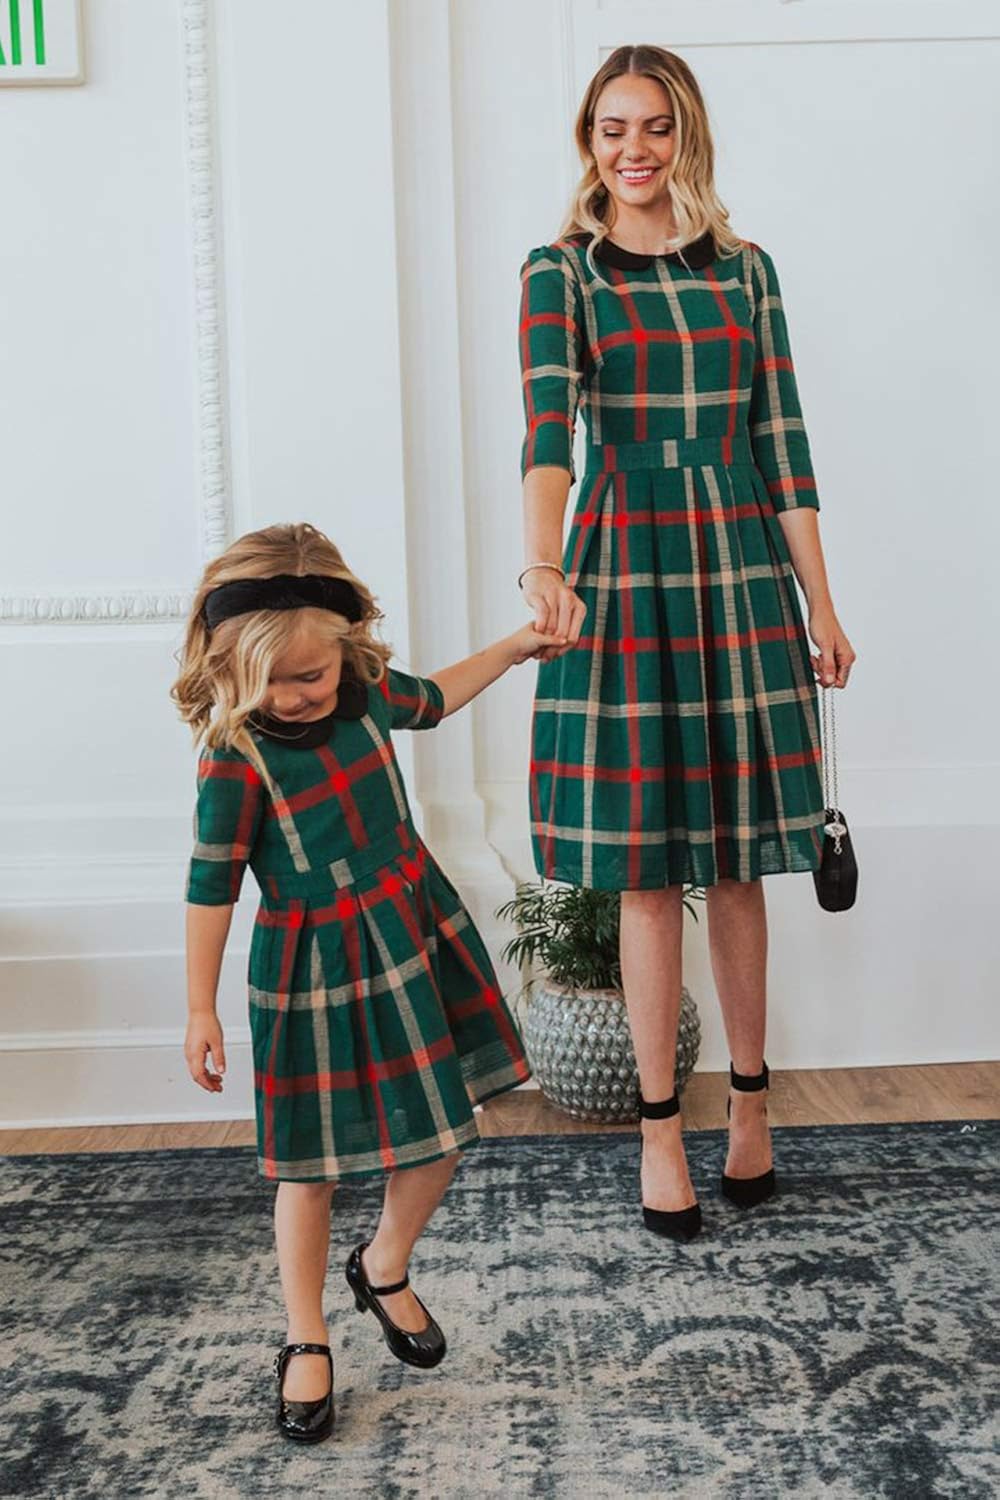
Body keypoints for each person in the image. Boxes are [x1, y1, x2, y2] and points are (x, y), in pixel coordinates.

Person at [517, 46, 856, 1243]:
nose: (633, 150)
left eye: (653, 128)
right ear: (587, 141)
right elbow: (547, 433)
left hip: (737, 563)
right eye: (611, 129)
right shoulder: (560, 272)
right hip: (621, 560)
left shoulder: (747, 274)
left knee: (739, 864)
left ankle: (750, 1110)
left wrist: (821, 603)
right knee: (648, 868)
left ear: (686, 135)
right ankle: (661, 1134)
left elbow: (786, 448)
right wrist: (545, 564)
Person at [172, 522, 561, 1442]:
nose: (295, 696)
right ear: (228, 669)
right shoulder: (236, 756)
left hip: (407, 924)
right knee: (309, 1167)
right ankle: (306, 1336)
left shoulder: (366, 692)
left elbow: (435, 696)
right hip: (310, 964)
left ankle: (384, 1264)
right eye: (272, 680)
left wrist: (514, 647)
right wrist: (199, 1007)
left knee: (444, 1129)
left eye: (312, 675)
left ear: (345, 653)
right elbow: (209, 884)